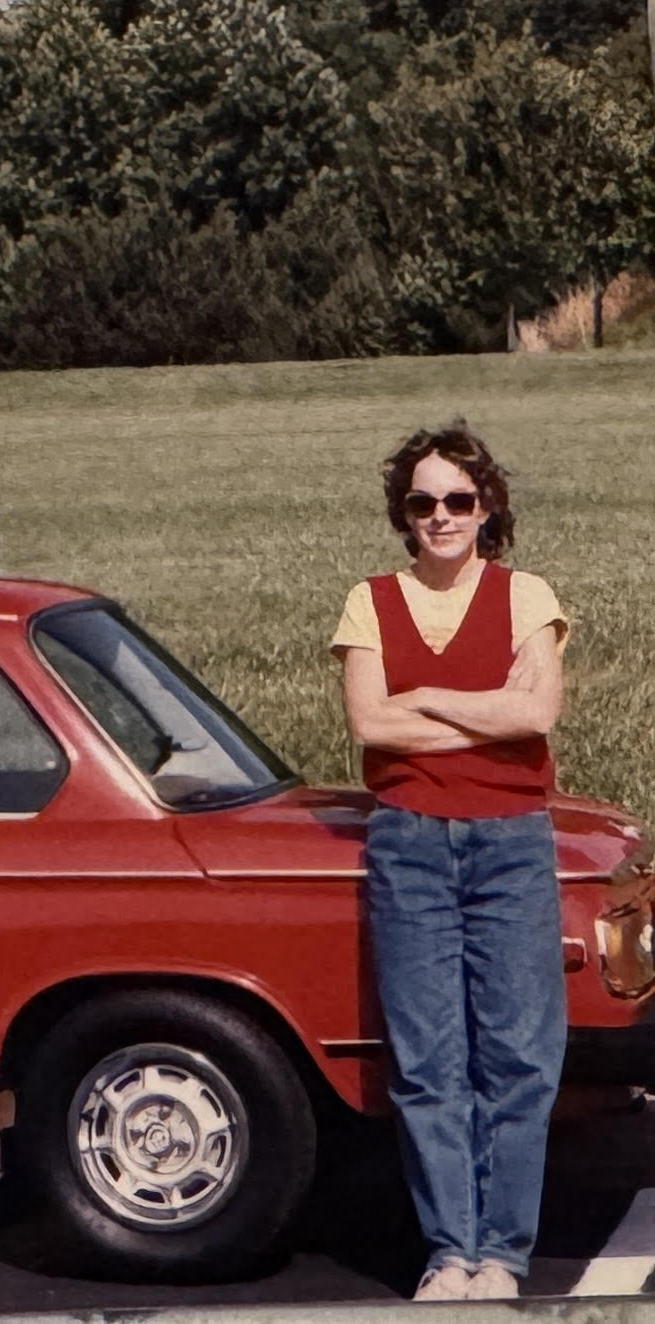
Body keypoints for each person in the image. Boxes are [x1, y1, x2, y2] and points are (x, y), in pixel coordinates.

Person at [330, 418, 569, 1302]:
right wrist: (480, 707)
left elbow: (536, 715)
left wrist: (424, 694)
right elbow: (371, 724)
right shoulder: (370, 602)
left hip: (510, 844)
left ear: (485, 507)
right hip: (409, 844)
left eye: (458, 500)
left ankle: (502, 1254)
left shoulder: (524, 595)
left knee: (517, 1056)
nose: (441, 516)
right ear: (404, 511)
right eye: (424, 501)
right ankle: (449, 1252)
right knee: (429, 1061)